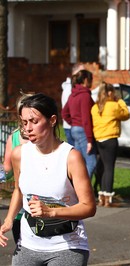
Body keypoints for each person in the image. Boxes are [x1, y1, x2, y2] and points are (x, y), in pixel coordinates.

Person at [0, 93, 96, 265]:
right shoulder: (19, 154)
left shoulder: (70, 157)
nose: (27, 128)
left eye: (34, 121)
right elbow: (19, 190)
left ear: (52, 120)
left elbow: (89, 207)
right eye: (24, 122)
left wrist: (51, 212)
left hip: (67, 247)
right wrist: (8, 221)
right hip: (27, 246)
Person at [91, 82, 130, 207]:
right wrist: (120, 101)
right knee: (109, 168)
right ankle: (108, 197)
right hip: (110, 139)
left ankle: (101, 196)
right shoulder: (114, 105)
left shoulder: (95, 107)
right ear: (109, 93)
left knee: (102, 167)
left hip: (99, 139)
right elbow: (126, 115)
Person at [3, 92, 33, 245]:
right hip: (45, 209)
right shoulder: (48, 139)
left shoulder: (13, 138)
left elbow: (7, 171)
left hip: (20, 209)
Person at [62, 69, 97, 180]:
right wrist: (90, 140)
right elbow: (86, 118)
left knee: (79, 163)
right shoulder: (85, 96)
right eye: (91, 79)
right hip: (83, 130)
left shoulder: (73, 95)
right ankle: (83, 190)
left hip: (74, 130)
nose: (92, 82)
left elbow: (64, 113)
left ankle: (76, 190)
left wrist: (73, 123)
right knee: (91, 163)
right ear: (86, 80)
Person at [61, 63, 85, 145]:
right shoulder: (69, 89)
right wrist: (74, 123)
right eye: (82, 71)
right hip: (71, 127)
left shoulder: (75, 87)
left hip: (74, 126)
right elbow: (67, 110)